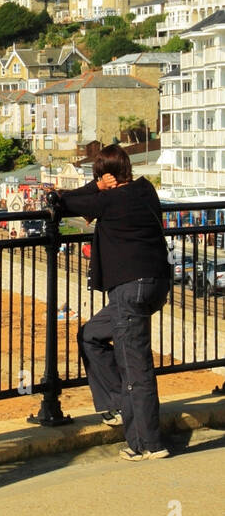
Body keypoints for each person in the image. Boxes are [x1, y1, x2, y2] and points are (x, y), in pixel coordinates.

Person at [46, 144, 172, 459]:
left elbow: (66, 201)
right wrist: (102, 185)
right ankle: (118, 406)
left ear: (106, 177)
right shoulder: (146, 191)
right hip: (155, 284)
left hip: (130, 288)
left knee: (135, 366)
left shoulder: (109, 200)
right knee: (90, 336)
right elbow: (84, 202)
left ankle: (147, 445)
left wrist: (95, 186)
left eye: (100, 176)